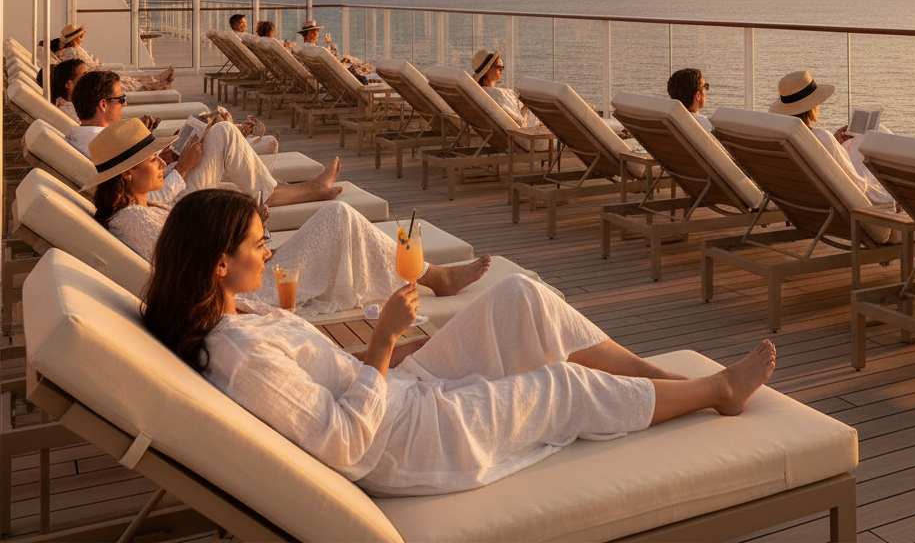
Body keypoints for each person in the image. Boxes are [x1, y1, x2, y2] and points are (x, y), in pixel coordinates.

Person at [142, 190, 777, 497]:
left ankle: (655, 376)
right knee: (564, 386)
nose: (270, 250)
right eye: (258, 244)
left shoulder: (237, 314)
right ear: (218, 264)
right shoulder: (238, 354)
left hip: (392, 393)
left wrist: (394, 357)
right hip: (407, 441)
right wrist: (387, 342)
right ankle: (716, 392)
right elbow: (341, 441)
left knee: (518, 298)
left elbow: (331, 384)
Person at [87, 121, 491, 316]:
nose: (163, 162)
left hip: (238, 267)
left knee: (339, 219)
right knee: (339, 218)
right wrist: (248, 243)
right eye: (153, 159)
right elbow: (191, 262)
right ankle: (436, 277)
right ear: (127, 172)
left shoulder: (135, 210)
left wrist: (248, 237)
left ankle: (432, 275)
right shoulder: (134, 222)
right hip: (239, 287)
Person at [69, 74, 342, 208]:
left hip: (167, 185)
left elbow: (132, 180)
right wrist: (184, 168)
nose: (124, 104)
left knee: (218, 136)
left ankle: (258, 166)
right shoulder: (94, 145)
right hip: (176, 206)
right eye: (121, 100)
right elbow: (146, 200)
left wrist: (159, 156)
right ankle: (290, 190)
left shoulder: (90, 140)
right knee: (223, 133)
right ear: (103, 105)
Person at [769, 70, 894, 210]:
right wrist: (892, 199)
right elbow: (857, 187)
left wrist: (834, 144)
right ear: (812, 107)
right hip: (835, 208)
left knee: (854, 144)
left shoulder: (780, 139)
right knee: (875, 133)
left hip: (803, 206)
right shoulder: (821, 137)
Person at [57, 23, 174, 92]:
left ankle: (158, 79)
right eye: (80, 37)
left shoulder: (72, 50)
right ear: (75, 39)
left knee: (129, 77)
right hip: (93, 75)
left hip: (95, 72)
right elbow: (85, 67)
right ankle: (158, 83)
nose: (82, 39)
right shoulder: (72, 51)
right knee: (126, 80)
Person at [471, 49, 542, 128]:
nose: (502, 70)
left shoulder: (478, 93)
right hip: (516, 134)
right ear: (488, 70)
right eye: (499, 67)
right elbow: (519, 120)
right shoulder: (498, 94)